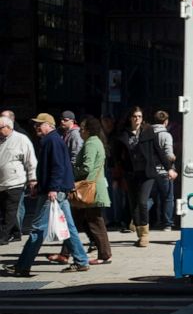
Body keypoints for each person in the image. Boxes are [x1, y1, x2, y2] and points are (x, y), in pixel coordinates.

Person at [0, 113, 91, 276]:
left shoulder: (52, 141)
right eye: (35, 125)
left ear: (49, 125)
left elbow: (57, 167)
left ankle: (22, 266)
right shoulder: (51, 140)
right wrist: (40, 186)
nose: (36, 127)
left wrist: (52, 189)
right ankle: (81, 260)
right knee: (68, 227)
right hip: (55, 190)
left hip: (55, 191)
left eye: (39, 124)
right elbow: (50, 169)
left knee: (37, 228)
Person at [48, 116, 113, 265]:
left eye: (82, 129)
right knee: (75, 222)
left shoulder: (91, 143)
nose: (80, 131)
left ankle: (105, 255)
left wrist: (70, 171)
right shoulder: (95, 142)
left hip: (88, 190)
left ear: (88, 130)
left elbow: (86, 168)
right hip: (91, 189)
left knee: (94, 223)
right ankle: (65, 254)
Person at [115, 106, 176, 247]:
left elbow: (159, 151)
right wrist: (119, 172)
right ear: (130, 118)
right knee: (134, 205)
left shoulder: (148, 132)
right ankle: (139, 232)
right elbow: (117, 156)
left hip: (147, 173)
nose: (137, 119)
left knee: (143, 202)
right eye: (135, 116)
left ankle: (144, 236)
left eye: (140, 116)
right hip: (131, 174)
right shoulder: (123, 134)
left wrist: (169, 168)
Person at [0, 116, 37, 245]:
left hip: (15, 181)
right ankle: (16, 232)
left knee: (10, 210)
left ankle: (3, 236)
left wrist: (32, 179)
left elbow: (30, 160)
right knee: (5, 209)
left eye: (0, 128)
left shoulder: (21, 139)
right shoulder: (1, 139)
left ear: (9, 127)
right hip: (2, 182)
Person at [151, 110, 176, 230]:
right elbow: (169, 154)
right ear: (166, 122)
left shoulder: (147, 133)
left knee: (152, 197)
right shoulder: (167, 135)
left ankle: (152, 220)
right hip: (165, 171)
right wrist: (174, 157)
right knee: (167, 197)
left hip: (151, 171)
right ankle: (167, 223)